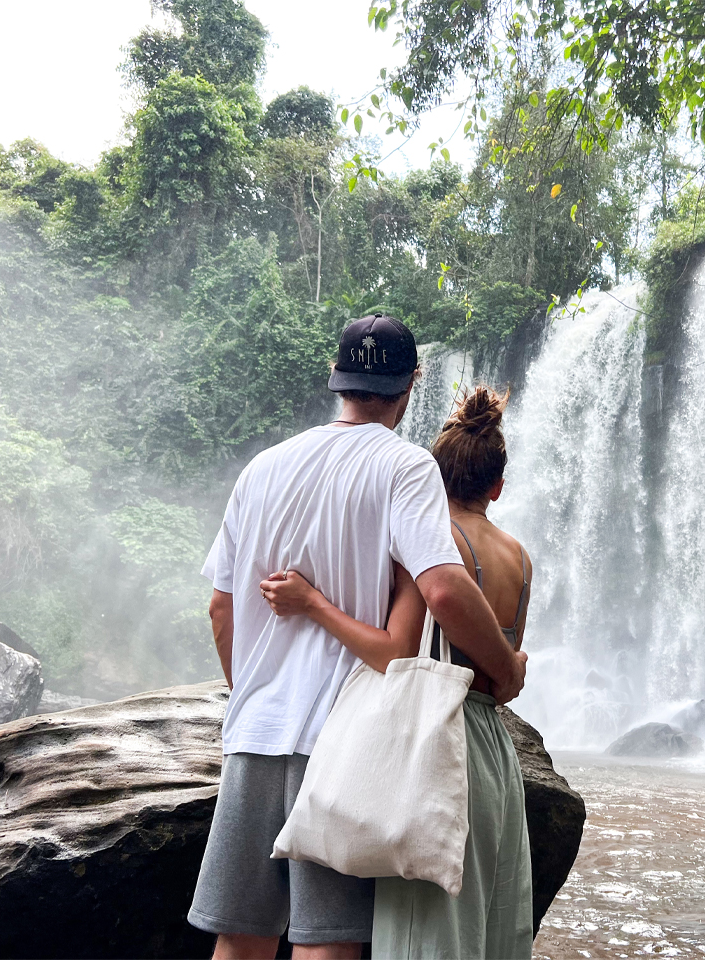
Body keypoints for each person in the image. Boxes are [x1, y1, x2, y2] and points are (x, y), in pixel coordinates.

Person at [187, 315, 528, 960]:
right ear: (411, 384)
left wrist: (249, 692)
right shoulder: (405, 466)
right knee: (328, 942)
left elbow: (220, 608)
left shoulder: (262, 468)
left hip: (255, 730)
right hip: (341, 738)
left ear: (335, 377)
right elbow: (444, 590)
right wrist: (506, 667)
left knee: (241, 936)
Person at [261, 385, 535, 960]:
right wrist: (510, 671)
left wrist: (312, 603)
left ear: (433, 476)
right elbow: (502, 667)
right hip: (493, 748)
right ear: (497, 486)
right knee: (487, 928)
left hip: (435, 739)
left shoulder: (429, 546)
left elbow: (399, 646)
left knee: (422, 933)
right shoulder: (518, 555)